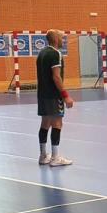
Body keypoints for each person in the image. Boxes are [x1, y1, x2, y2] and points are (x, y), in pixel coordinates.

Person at [37, 29, 74, 167]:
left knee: (45, 123)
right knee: (57, 123)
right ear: (56, 39)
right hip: (53, 95)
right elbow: (56, 77)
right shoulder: (55, 53)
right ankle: (55, 157)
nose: (63, 40)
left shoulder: (42, 53)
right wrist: (66, 96)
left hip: (42, 95)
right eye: (61, 38)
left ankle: (43, 156)